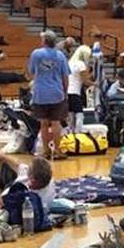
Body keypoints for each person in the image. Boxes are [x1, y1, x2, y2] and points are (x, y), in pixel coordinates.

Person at [27, 30, 70, 160]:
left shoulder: (36, 54)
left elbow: (31, 72)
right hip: (57, 92)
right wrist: (65, 92)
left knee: (44, 124)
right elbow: (65, 77)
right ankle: (57, 150)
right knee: (56, 123)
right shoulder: (60, 55)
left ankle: (46, 151)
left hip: (40, 93)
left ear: (44, 41)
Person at [67, 44, 91, 133]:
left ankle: (71, 136)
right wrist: (95, 84)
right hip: (75, 92)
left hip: (67, 92)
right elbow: (85, 81)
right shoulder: (81, 64)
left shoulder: (69, 62)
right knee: (79, 115)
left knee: (70, 116)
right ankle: (78, 134)